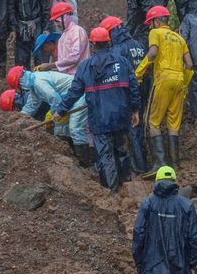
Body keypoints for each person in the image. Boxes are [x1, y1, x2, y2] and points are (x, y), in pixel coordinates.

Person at [52, 27, 141, 193]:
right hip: (121, 116)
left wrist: (61, 111)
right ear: (108, 42)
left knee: (105, 155)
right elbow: (134, 87)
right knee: (121, 150)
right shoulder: (122, 62)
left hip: (100, 119)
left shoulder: (85, 67)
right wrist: (135, 109)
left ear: (92, 45)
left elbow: (73, 93)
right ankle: (126, 185)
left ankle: (112, 192)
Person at [135, 6, 193, 171]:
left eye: (150, 23)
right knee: (173, 125)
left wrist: (138, 73)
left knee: (153, 122)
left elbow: (152, 54)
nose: (149, 26)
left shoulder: (156, 33)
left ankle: (159, 164)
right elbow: (189, 64)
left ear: (157, 20)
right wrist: (184, 84)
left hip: (164, 79)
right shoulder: (179, 38)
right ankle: (175, 165)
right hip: (180, 80)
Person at [132, 166, 197, 274]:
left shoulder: (148, 204)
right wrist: (191, 264)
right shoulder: (186, 205)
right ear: (174, 181)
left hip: (153, 264)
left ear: (156, 181)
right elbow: (194, 236)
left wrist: (140, 264)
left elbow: (139, 233)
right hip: (180, 264)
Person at [4, 66, 89, 166]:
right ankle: (72, 157)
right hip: (67, 100)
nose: (20, 89)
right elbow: (30, 106)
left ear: (21, 81)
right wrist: (17, 120)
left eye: (19, 86)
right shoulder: (34, 85)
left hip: (78, 95)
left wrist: (52, 115)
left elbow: (55, 99)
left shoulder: (38, 82)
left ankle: (85, 162)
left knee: (75, 127)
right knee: (60, 129)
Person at [99, 16, 147, 174]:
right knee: (140, 127)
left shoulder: (118, 49)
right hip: (144, 89)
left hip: (127, 93)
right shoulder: (138, 45)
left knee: (131, 130)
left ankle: (136, 168)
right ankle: (143, 164)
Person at [35, 2, 90, 75]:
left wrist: (50, 65)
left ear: (65, 17)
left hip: (80, 76)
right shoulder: (63, 36)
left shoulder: (77, 31)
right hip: (68, 78)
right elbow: (63, 63)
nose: (56, 24)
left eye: (57, 21)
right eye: (55, 22)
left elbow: (75, 57)